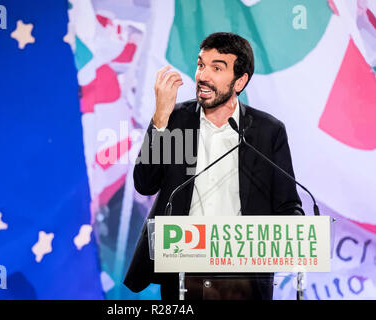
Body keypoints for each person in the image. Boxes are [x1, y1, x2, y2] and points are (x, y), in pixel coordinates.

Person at [124, 32, 304, 300]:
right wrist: (160, 117)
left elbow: (288, 205)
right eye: (200, 65)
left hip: (244, 277)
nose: (203, 76)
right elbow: (145, 183)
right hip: (184, 272)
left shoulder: (268, 132)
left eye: (216, 68)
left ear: (240, 81)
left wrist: (298, 239)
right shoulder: (176, 121)